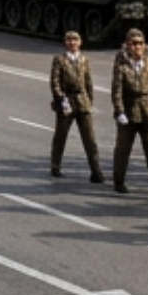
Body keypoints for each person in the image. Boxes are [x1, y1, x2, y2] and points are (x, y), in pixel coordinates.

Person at [109, 29, 148, 199]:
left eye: (140, 43)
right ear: (128, 45)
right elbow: (117, 90)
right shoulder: (122, 65)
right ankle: (118, 181)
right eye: (134, 43)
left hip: (147, 110)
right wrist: (119, 111)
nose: (137, 47)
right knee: (123, 150)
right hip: (129, 110)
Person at [48, 30, 101, 182]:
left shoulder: (84, 59)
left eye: (75, 40)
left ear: (80, 42)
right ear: (65, 43)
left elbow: (88, 81)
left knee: (89, 139)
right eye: (69, 40)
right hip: (66, 100)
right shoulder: (59, 60)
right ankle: (55, 166)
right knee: (61, 136)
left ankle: (96, 171)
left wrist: (89, 101)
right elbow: (54, 81)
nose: (72, 43)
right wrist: (60, 98)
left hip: (82, 101)